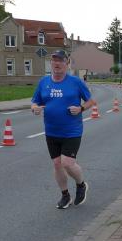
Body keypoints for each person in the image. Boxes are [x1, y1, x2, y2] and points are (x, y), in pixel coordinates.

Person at [31, 50, 97, 209]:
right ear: (51, 63)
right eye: (54, 60)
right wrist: (35, 108)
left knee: (67, 163)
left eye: (60, 60)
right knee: (57, 164)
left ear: (67, 63)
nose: (57, 63)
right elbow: (34, 102)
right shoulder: (44, 82)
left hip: (72, 131)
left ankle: (81, 184)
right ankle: (65, 195)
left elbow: (91, 101)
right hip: (51, 131)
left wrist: (81, 108)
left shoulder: (76, 82)